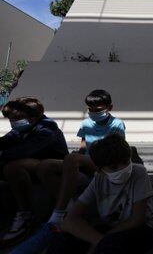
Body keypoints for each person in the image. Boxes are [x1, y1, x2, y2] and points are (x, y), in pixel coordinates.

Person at [47, 134, 153, 254]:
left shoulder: (138, 172)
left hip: (142, 227)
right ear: (101, 169)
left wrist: (101, 240)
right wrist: (100, 240)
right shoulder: (99, 179)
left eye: (125, 162)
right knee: (65, 240)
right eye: (114, 167)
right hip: (110, 228)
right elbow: (70, 219)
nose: (123, 168)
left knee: (111, 246)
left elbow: (137, 219)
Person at [37, 89, 126, 227]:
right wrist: (78, 155)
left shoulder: (117, 124)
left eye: (98, 109)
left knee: (73, 159)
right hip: (87, 165)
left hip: (105, 164)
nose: (93, 112)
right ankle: (68, 205)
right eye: (90, 109)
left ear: (110, 107)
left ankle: (58, 214)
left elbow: (118, 151)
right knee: (45, 165)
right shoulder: (86, 124)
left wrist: (77, 158)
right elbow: (83, 146)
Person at [0, 97, 68, 247]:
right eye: (11, 119)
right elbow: (5, 141)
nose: (13, 122)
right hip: (34, 165)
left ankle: (26, 215)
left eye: (17, 118)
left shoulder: (47, 130)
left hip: (54, 167)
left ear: (34, 116)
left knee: (12, 167)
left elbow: (22, 152)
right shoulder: (23, 128)